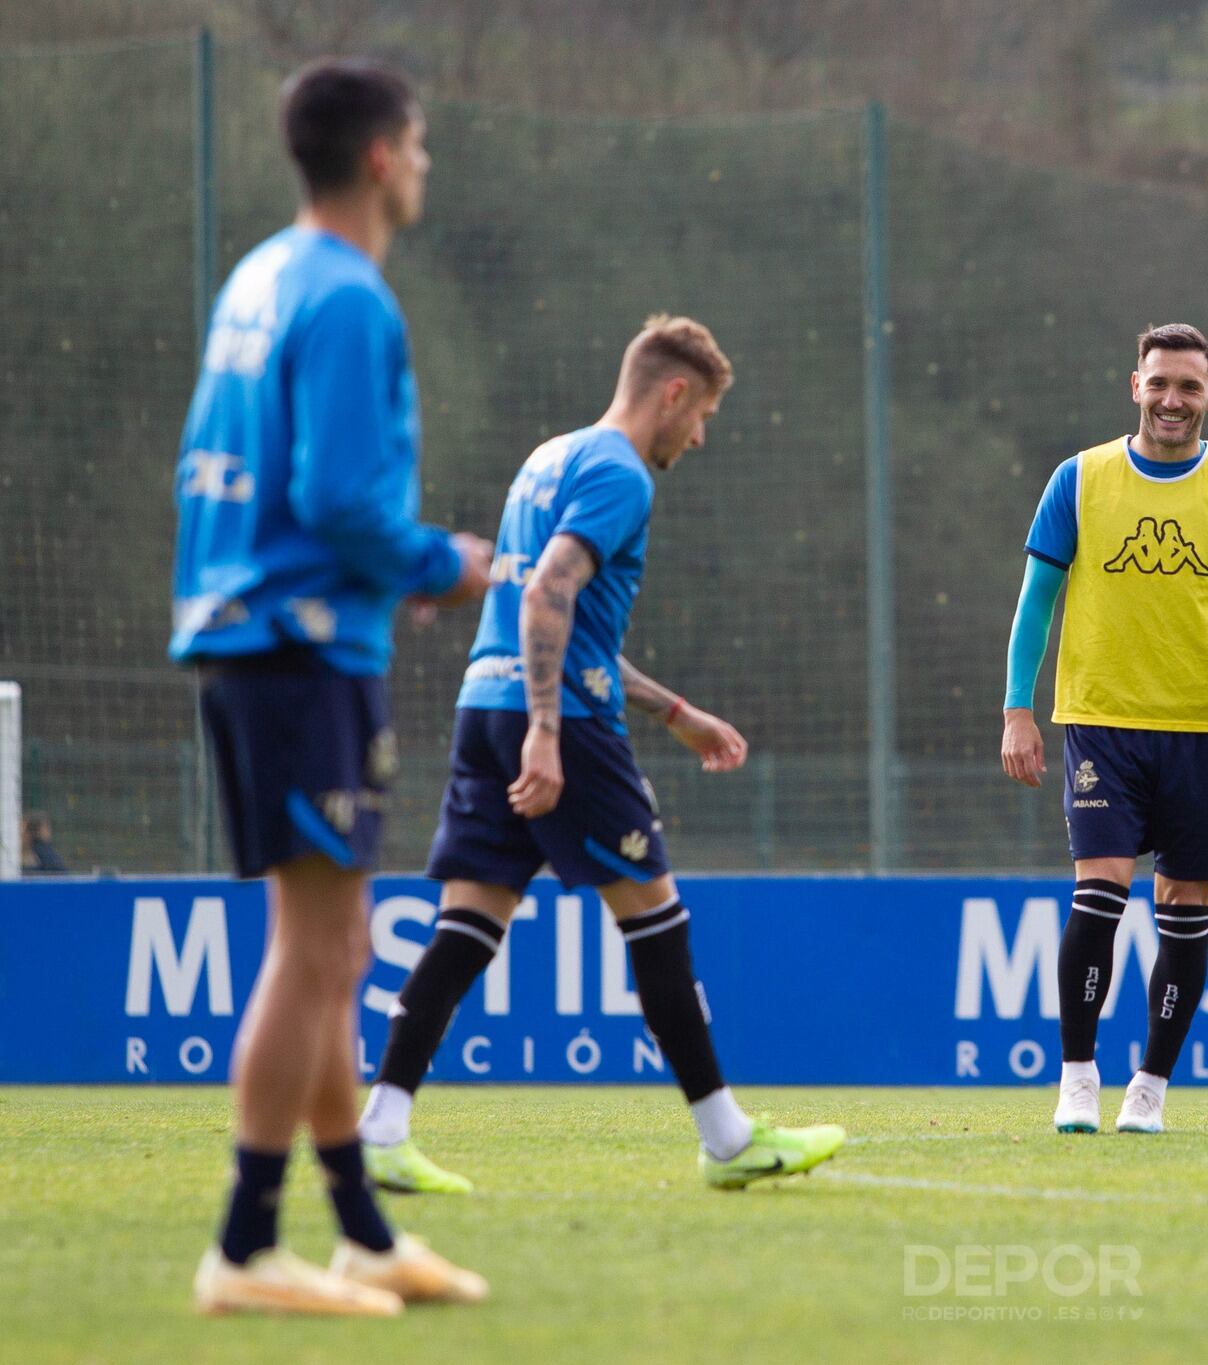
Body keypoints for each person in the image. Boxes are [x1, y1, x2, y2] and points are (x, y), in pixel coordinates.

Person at [355, 314, 845, 1194]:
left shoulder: (550, 458)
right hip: (562, 726)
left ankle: (381, 1126)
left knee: (465, 928)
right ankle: (728, 1137)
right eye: (702, 419)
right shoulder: (623, 473)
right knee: (656, 918)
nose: (697, 438)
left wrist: (672, 710)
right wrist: (548, 730)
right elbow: (549, 591)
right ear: (674, 392)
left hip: (485, 708)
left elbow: (555, 616)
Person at [171, 59, 494, 1315]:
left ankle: (359, 1229)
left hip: (253, 631)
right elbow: (344, 501)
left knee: (329, 945)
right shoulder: (350, 297)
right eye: (415, 145)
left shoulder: (260, 275)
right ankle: (246, 1247)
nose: (422, 164)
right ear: (377, 158)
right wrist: (439, 562)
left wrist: (380, 566)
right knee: (315, 957)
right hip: (302, 650)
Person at [1001, 323, 1208, 1136]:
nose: (1172, 399)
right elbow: (1035, 602)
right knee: (1098, 891)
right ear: (1135, 385)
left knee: (1184, 907)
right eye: (1159, 382)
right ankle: (1079, 1076)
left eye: (1189, 386)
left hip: (1206, 732)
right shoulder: (1080, 478)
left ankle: (1150, 1086)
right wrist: (1018, 707)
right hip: (1102, 722)